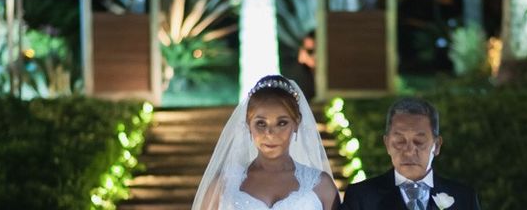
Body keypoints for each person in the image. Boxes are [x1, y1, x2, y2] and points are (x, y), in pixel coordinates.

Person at [192, 74, 340, 210]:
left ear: (296, 123)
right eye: (261, 124)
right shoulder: (223, 186)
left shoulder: (321, 186)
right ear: (248, 125)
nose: (269, 133)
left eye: (281, 123)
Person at [341, 97, 481, 210]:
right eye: (400, 141)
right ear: (387, 144)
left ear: (436, 145)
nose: (409, 150)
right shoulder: (361, 197)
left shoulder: (463, 198)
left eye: (419, 141)